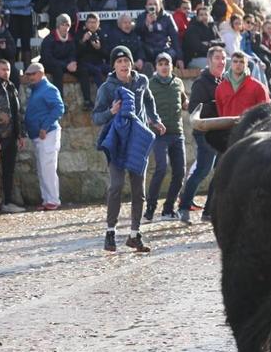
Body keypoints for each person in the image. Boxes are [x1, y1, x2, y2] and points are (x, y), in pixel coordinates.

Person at [94, 46, 165, 252]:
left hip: (138, 141)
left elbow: (149, 101)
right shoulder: (106, 88)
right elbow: (96, 117)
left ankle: (135, 235)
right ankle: (110, 232)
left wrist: (155, 120)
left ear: (132, 63)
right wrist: (111, 111)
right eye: (119, 62)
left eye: (127, 60)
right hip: (116, 142)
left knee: (138, 191)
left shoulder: (141, 81)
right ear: (114, 65)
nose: (124, 65)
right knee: (116, 186)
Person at [177, 46, 226, 224]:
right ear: (209, 61)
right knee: (203, 169)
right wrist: (216, 104)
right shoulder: (201, 82)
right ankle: (184, 206)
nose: (221, 62)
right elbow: (194, 108)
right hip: (205, 132)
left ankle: (209, 211)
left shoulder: (225, 81)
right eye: (218, 58)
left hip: (222, 132)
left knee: (221, 171)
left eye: (223, 58)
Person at [145, 53, 187, 222]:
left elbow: (184, 101)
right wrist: (150, 120)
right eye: (161, 63)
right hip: (159, 134)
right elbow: (143, 104)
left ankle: (168, 209)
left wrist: (189, 105)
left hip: (177, 133)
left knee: (180, 172)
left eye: (167, 63)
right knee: (161, 168)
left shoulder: (178, 83)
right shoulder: (149, 84)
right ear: (156, 66)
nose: (164, 66)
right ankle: (150, 207)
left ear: (172, 66)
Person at [23, 62, 64, 210]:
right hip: (40, 135)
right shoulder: (37, 89)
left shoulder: (48, 89)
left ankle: (53, 200)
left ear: (41, 73)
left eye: (32, 74)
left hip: (48, 134)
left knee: (47, 167)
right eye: (28, 75)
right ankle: (47, 200)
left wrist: (45, 127)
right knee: (42, 169)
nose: (30, 77)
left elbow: (59, 108)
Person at [0, 59, 26, 213]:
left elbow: (17, 113)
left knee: (9, 171)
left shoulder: (11, 87)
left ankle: (7, 202)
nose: (6, 72)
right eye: (3, 69)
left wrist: (20, 134)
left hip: (11, 137)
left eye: (7, 69)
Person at [40, 14, 81, 103]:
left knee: (83, 70)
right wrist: (66, 65)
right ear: (58, 25)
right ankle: (59, 100)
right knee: (58, 71)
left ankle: (87, 100)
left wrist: (73, 62)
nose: (65, 27)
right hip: (50, 64)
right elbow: (47, 58)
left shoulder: (70, 39)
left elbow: (72, 53)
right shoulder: (49, 39)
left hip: (65, 64)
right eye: (63, 25)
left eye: (67, 25)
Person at [134, 0, 184, 70]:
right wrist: (146, 24)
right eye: (150, 4)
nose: (152, 6)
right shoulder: (142, 16)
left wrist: (180, 58)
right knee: (140, 50)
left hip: (163, 48)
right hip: (148, 48)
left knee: (171, 54)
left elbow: (175, 37)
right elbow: (136, 34)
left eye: (155, 4)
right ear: (146, 6)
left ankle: (160, 69)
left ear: (160, 5)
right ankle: (149, 68)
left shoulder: (167, 17)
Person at [215, 51, 270, 117]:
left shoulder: (259, 87)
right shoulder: (220, 88)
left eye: (242, 62)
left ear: (246, 65)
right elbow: (220, 112)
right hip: (227, 127)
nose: (238, 64)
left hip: (250, 126)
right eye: (235, 61)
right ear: (231, 64)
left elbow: (266, 114)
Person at [74, 13, 110, 110]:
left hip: (99, 63)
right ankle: (92, 100)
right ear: (86, 24)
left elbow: (107, 54)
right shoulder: (80, 34)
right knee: (95, 71)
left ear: (98, 24)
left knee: (113, 70)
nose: (92, 25)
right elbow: (75, 52)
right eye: (90, 22)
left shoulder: (103, 34)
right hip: (84, 63)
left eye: (94, 22)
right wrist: (83, 41)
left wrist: (99, 48)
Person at [0, 15, 20, 87]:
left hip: (5, 63)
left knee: (14, 74)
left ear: (1, 23)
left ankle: (13, 95)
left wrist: (5, 48)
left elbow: (12, 53)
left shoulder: (6, 34)